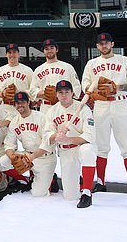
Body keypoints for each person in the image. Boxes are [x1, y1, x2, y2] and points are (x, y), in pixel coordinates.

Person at [82, 32, 127, 197]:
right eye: (101, 43)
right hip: (101, 105)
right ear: (97, 46)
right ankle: (101, 182)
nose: (104, 45)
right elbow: (86, 85)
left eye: (107, 43)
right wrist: (93, 94)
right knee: (101, 146)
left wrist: (118, 87)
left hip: (120, 102)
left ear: (112, 44)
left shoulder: (124, 61)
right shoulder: (91, 64)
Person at [29, 38, 81, 193]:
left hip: (66, 108)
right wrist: (43, 93)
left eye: (51, 47)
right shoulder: (38, 70)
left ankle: (73, 174)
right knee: (47, 143)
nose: (49, 51)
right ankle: (49, 178)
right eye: (46, 48)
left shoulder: (67, 67)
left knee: (68, 142)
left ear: (56, 49)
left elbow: (77, 87)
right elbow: (32, 90)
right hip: (47, 108)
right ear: (43, 51)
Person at [45, 80, 97, 208]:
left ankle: (87, 193)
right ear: (56, 95)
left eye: (67, 92)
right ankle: (78, 181)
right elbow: (47, 134)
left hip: (80, 146)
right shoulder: (52, 111)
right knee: (70, 196)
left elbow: (90, 135)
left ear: (72, 93)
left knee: (88, 151)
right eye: (60, 92)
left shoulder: (83, 108)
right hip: (65, 151)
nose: (64, 95)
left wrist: (69, 139)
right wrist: (56, 136)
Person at [0, 92, 56, 197]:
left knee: (38, 194)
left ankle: (51, 180)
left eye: (23, 102)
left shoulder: (41, 117)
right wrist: (12, 157)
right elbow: (9, 144)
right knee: (2, 162)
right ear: (14, 105)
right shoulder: (15, 122)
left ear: (28, 102)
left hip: (44, 157)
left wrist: (32, 157)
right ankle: (24, 180)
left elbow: (47, 143)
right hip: (27, 155)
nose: (20, 105)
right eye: (17, 103)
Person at [0, 44, 34, 119]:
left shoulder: (28, 70)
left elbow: (33, 90)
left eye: (14, 52)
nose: (12, 54)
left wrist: (20, 93)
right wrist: (3, 93)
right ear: (6, 55)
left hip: (22, 107)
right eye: (9, 52)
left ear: (18, 54)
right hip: (5, 108)